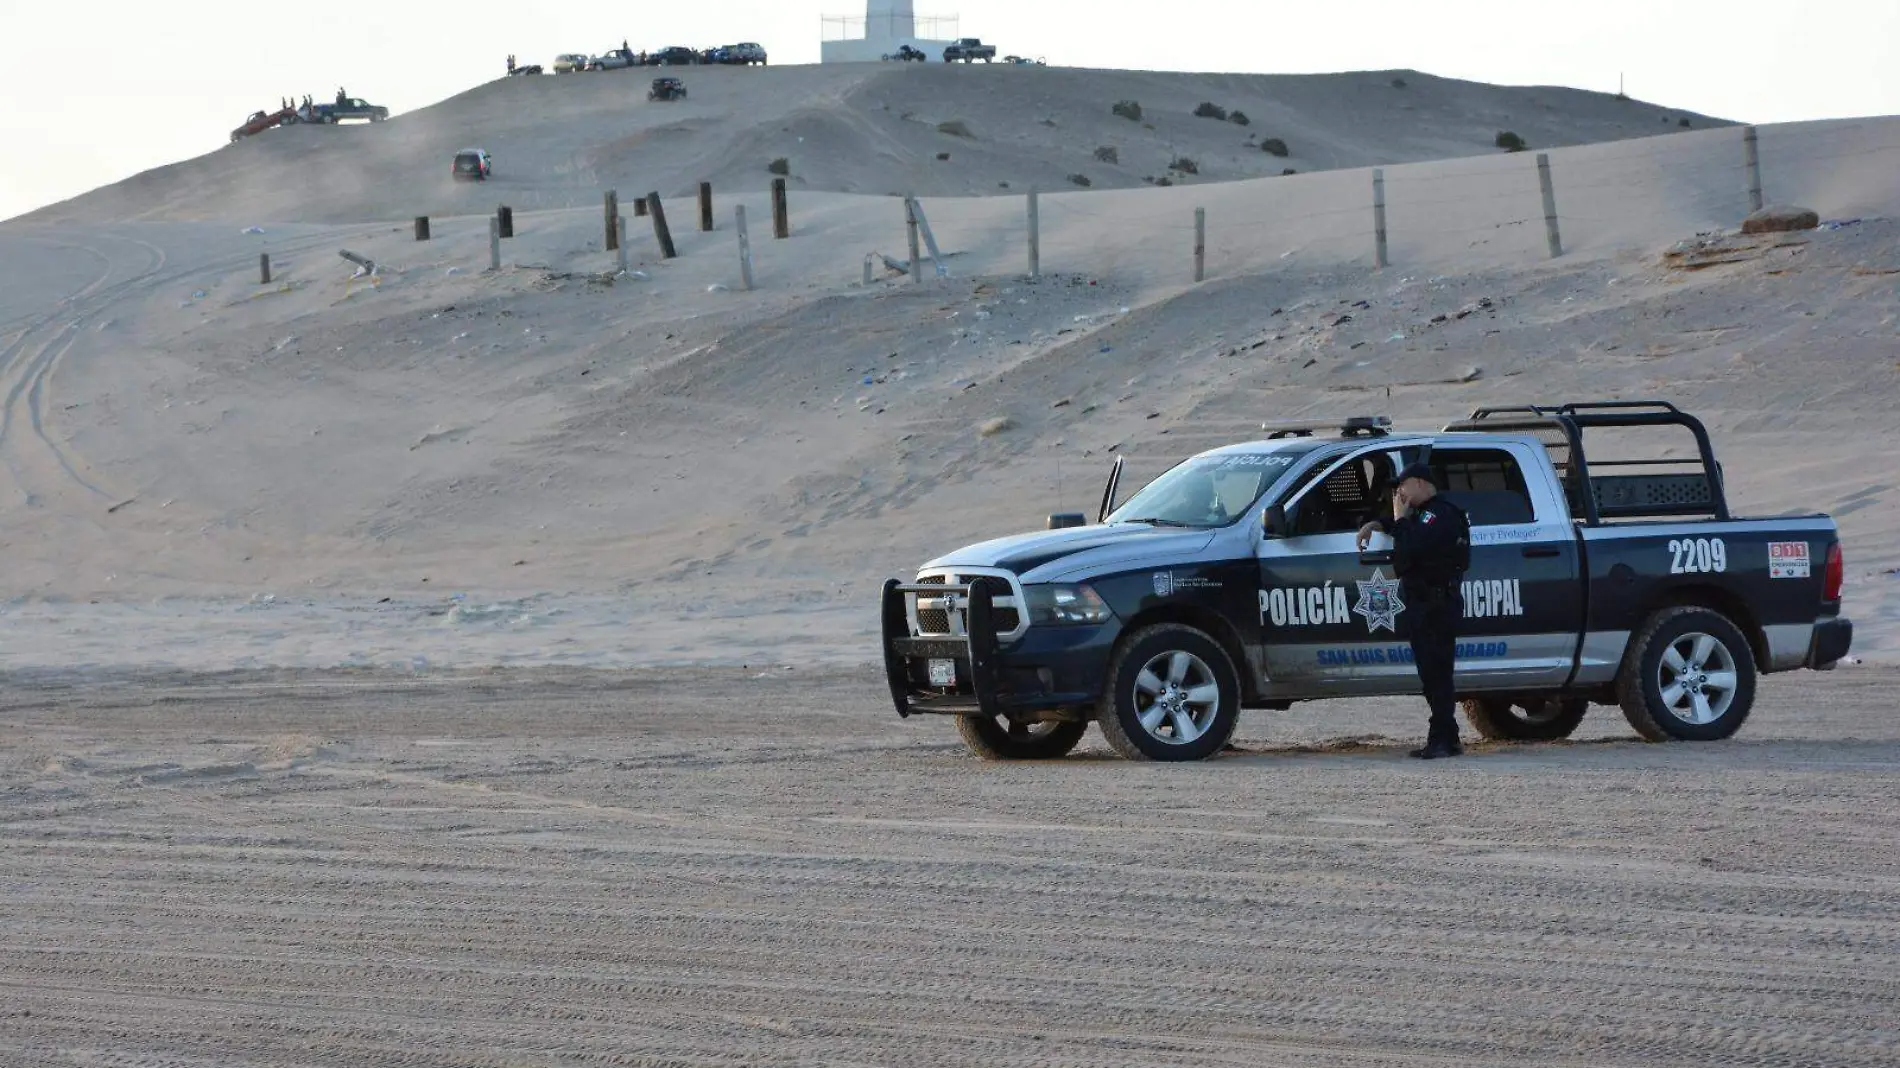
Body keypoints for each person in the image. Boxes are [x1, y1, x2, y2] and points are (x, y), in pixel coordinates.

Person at [1357, 462, 1471, 759]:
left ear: (1420, 483)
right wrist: (1379, 524)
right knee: (1431, 674)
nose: (1399, 493)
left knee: (1437, 674)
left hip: (1436, 603)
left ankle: (1443, 740)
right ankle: (1447, 736)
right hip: (1426, 602)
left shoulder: (1440, 514)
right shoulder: (1424, 515)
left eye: (1402, 486)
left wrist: (1398, 518)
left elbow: (1411, 548)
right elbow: (1408, 532)